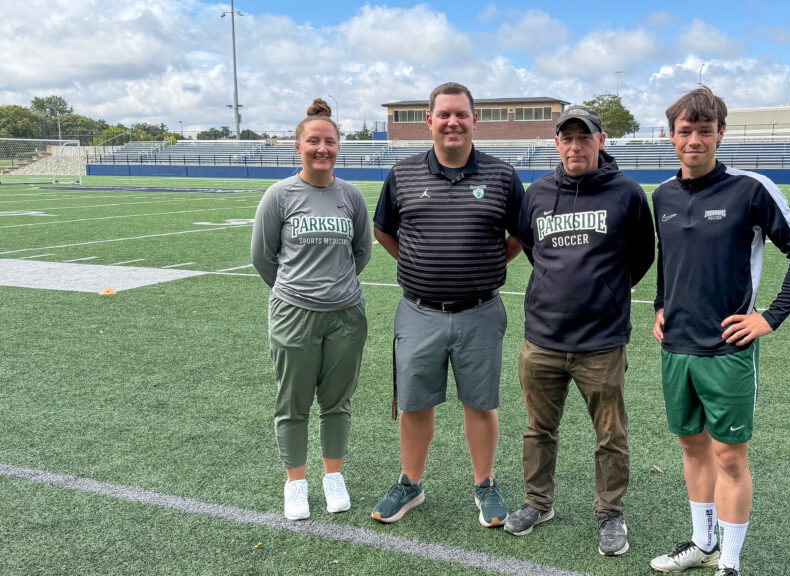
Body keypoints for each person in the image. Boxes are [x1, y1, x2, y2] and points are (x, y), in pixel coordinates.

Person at [648, 87, 790, 576]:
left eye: (705, 131)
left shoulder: (750, 188)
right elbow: (668, 261)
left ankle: (730, 561)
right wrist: (662, 304)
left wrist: (769, 317)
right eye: (686, 131)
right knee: (691, 446)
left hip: (728, 348)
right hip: (676, 345)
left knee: (728, 455)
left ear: (721, 133)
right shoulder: (662, 194)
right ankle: (702, 544)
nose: (695, 140)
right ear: (672, 135)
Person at [503, 104, 654, 557]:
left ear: (600, 141)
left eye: (583, 138)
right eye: (566, 138)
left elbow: (642, 256)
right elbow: (533, 250)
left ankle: (610, 513)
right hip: (542, 339)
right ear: (556, 143)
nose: (574, 146)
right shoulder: (537, 192)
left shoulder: (627, 192)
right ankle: (537, 502)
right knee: (538, 429)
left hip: (601, 343)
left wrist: (604, 291)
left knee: (610, 435)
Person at [371, 82, 524, 527]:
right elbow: (385, 231)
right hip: (419, 312)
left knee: (480, 403)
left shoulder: (502, 175)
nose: (453, 122)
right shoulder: (402, 174)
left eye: (461, 114)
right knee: (415, 404)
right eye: (444, 115)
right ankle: (410, 483)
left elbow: (518, 236)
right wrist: (419, 264)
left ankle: (485, 484)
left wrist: (487, 264)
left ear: (474, 120)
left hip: (480, 311)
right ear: (430, 121)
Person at [251, 98, 373, 521]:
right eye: (314, 141)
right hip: (293, 314)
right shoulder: (279, 195)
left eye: (330, 142)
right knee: (294, 402)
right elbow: (263, 258)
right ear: (298, 146)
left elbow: (361, 253)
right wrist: (299, 290)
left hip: (346, 315)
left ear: (339, 146)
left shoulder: (351, 196)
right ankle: (296, 483)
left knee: (337, 402)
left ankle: (332, 476)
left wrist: (334, 288)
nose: (323, 148)